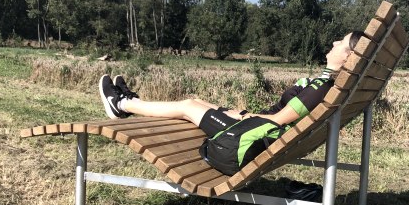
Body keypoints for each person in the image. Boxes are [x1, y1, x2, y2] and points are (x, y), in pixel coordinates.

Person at [99, 31, 364, 138]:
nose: (333, 43)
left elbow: (280, 120)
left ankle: (121, 103)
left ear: (349, 56)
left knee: (189, 106)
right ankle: (130, 103)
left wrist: (244, 115)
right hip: (258, 127)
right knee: (198, 102)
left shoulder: (321, 88)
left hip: (256, 136)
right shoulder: (324, 83)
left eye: (340, 43)